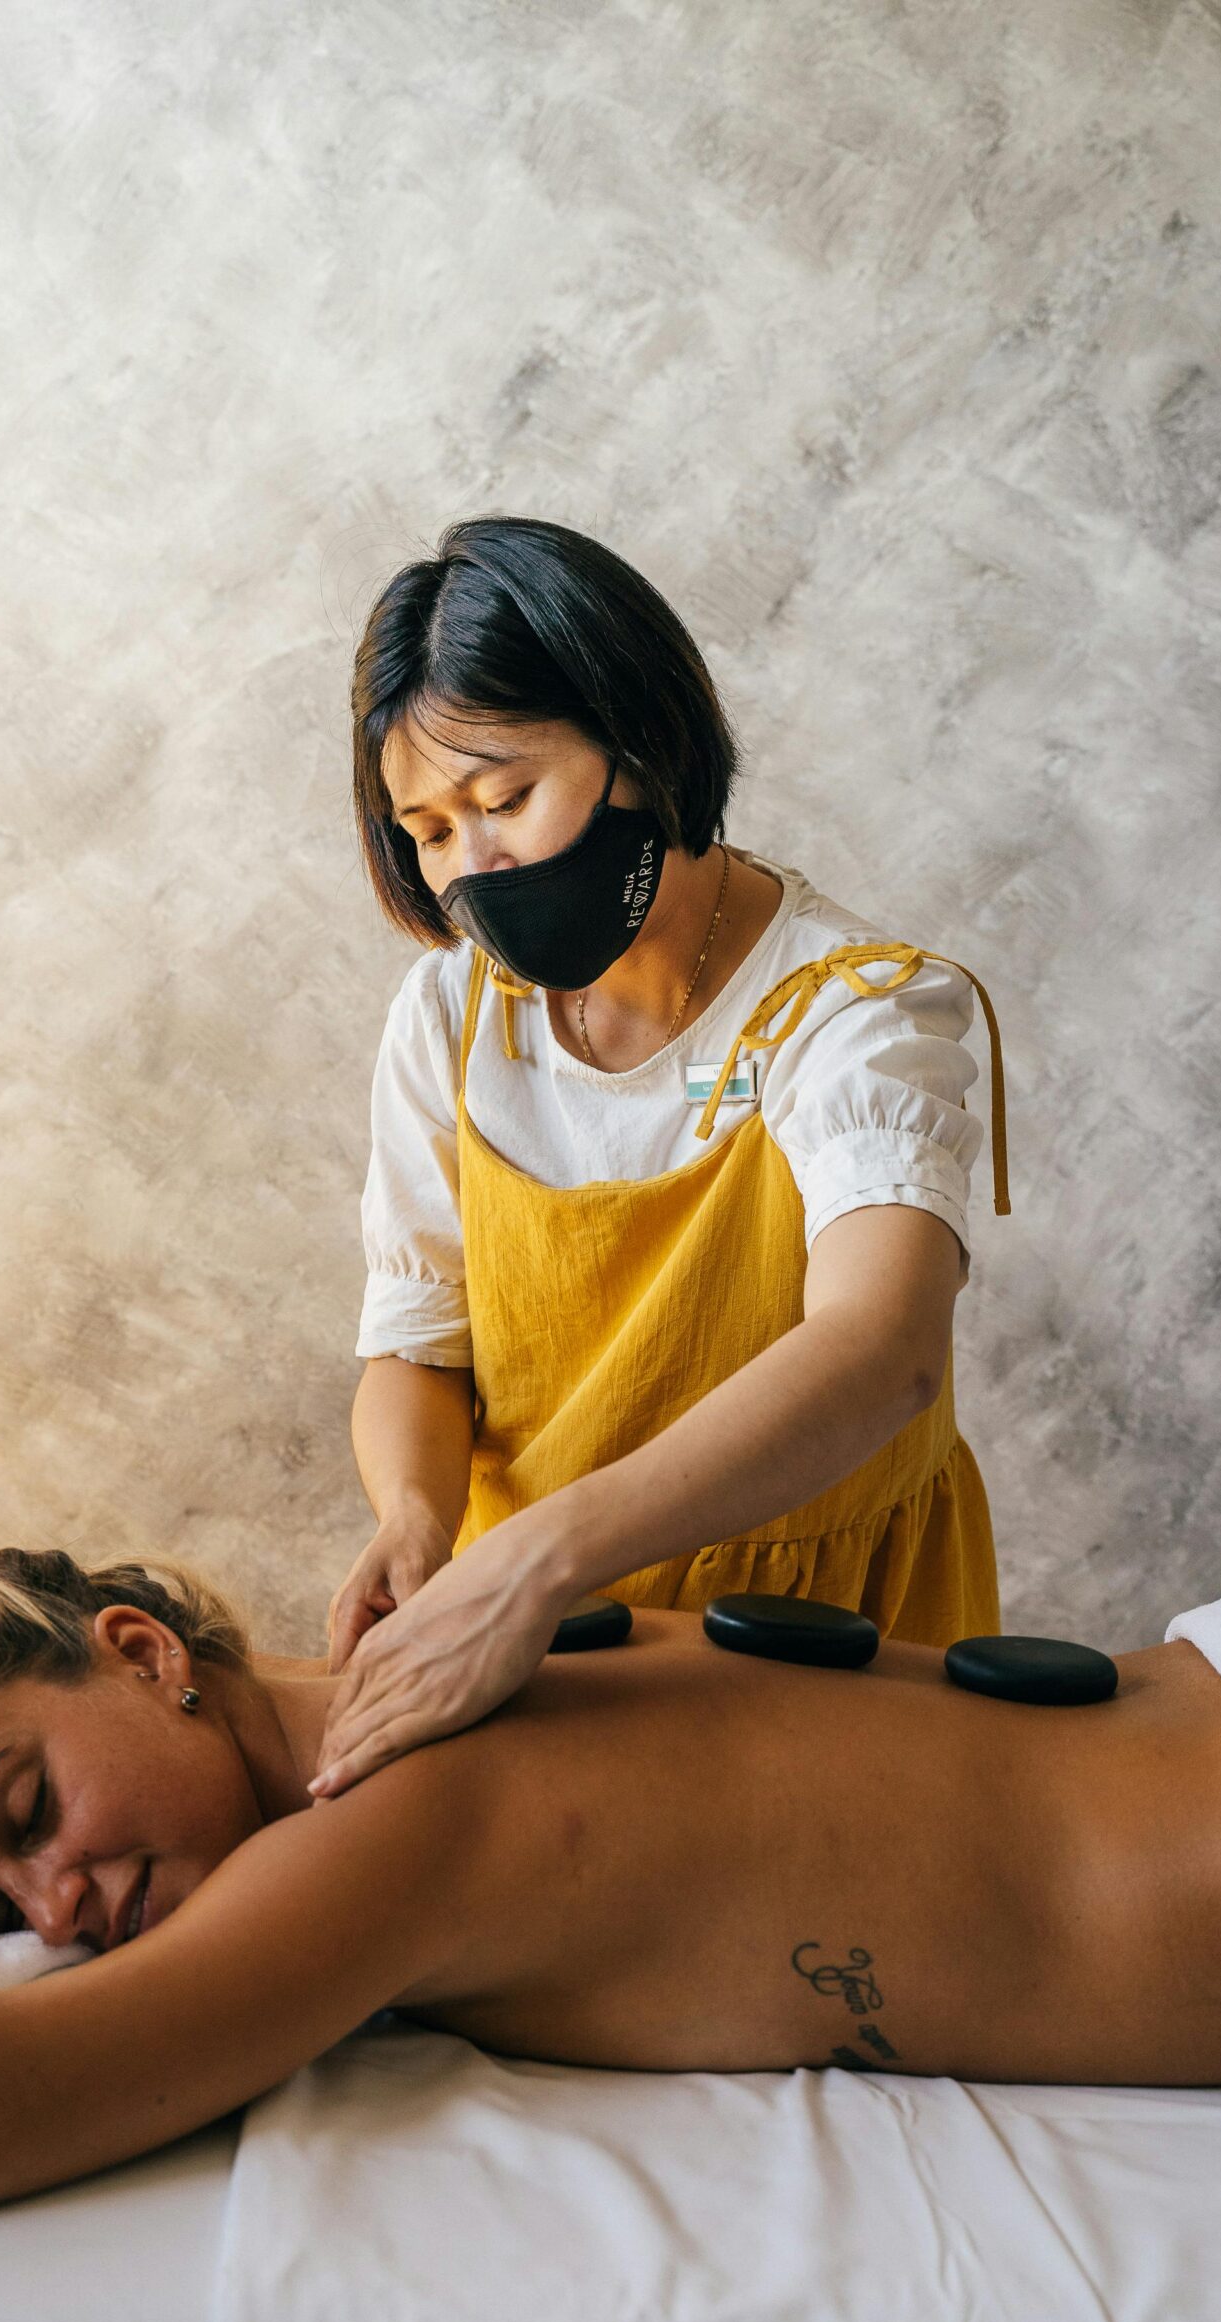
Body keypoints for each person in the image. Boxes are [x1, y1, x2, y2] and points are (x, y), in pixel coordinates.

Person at [0, 1541, 1221, 2233]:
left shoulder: (387, 1833)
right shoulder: (442, 1661)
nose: (49, 1912)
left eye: (23, 1811)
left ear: (141, 1651)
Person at [318, 515, 1012, 1798]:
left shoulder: (860, 1012)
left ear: (642, 742)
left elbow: (884, 1349)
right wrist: (418, 1522)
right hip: (531, 1636)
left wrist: (541, 1555)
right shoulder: (449, 1019)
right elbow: (418, 1344)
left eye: (506, 799)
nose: (477, 867)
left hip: (819, 1636)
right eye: (427, 829)